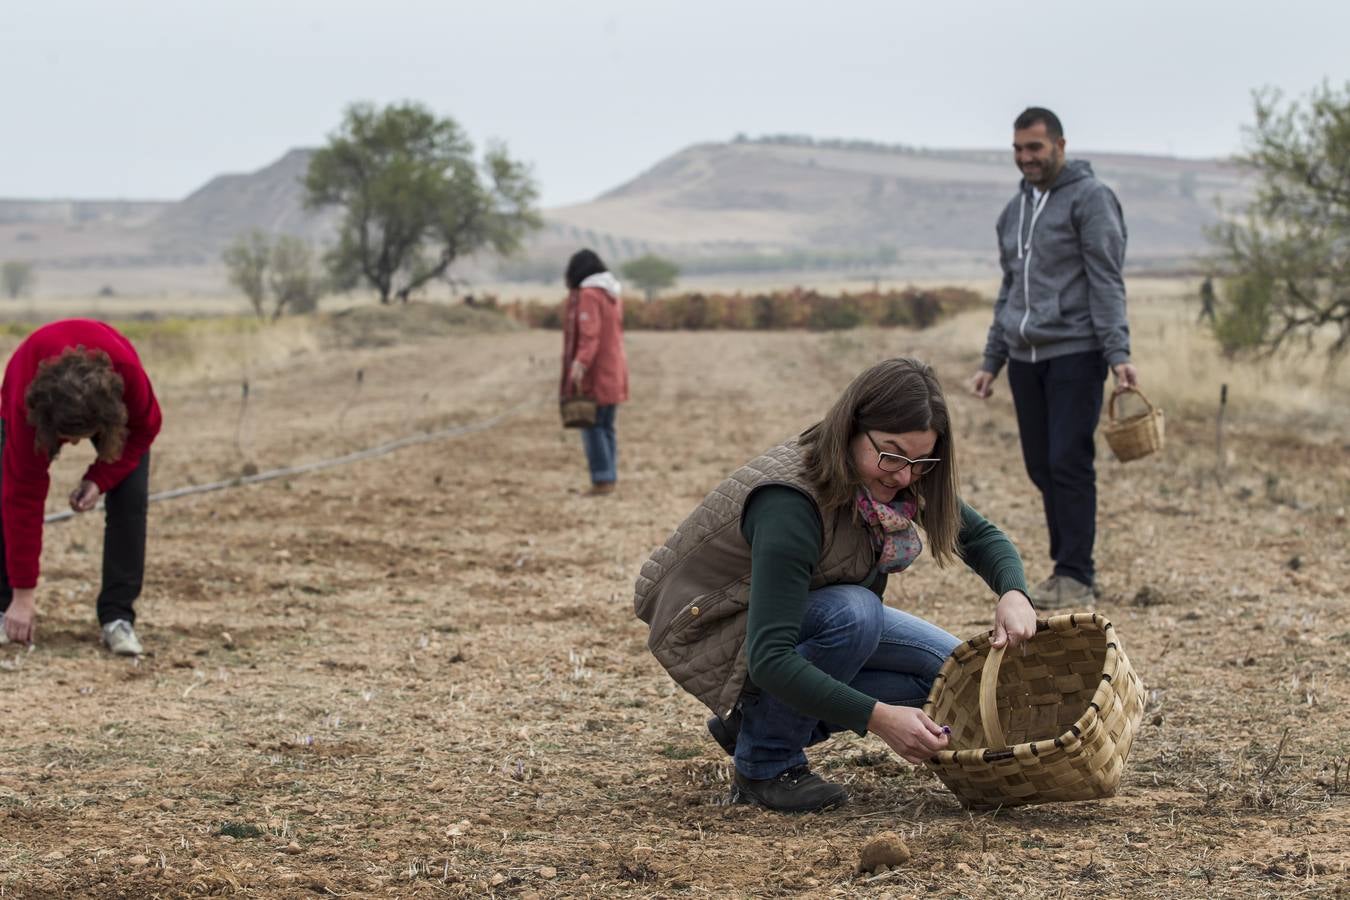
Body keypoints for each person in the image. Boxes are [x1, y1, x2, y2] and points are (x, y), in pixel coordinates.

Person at [635, 358, 1036, 812]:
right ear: (851, 428)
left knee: (949, 675)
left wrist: (1013, 593)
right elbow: (770, 658)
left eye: (920, 462)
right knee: (855, 613)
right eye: (890, 454)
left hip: (797, 616)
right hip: (715, 624)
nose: (903, 475)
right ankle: (766, 763)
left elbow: (981, 537)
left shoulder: (895, 477)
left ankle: (759, 721)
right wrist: (880, 719)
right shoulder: (791, 503)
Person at [968, 107, 1139, 610]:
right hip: (1025, 358)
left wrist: (1118, 353)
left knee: (1068, 460)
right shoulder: (1013, 211)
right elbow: (1009, 290)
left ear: (1060, 145)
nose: (1026, 158)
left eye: (1035, 148)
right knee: (1041, 465)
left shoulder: (1092, 200)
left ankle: (1075, 574)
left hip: (1076, 352)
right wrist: (990, 361)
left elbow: (1107, 280)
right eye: (1019, 149)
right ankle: (1068, 568)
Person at [0, 319, 162, 654]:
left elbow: (146, 430)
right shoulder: (25, 404)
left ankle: (118, 618)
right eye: (65, 438)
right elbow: (23, 498)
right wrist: (24, 595)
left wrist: (100, 478)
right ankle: (6, 607)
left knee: (130, 502)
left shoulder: (128, 378)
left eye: (79, 438)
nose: (72, 445)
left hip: (108, 402)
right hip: (31, 395)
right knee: (5, 490)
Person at [561, 249, 629, 496]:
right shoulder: (611, 293)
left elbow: (590, 334)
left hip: (596, 372)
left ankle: (601, 480)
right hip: (614, 368)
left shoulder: (589, 295)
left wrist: (580, 364)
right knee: (606, 425)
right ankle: (608, 477)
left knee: (593, 425)